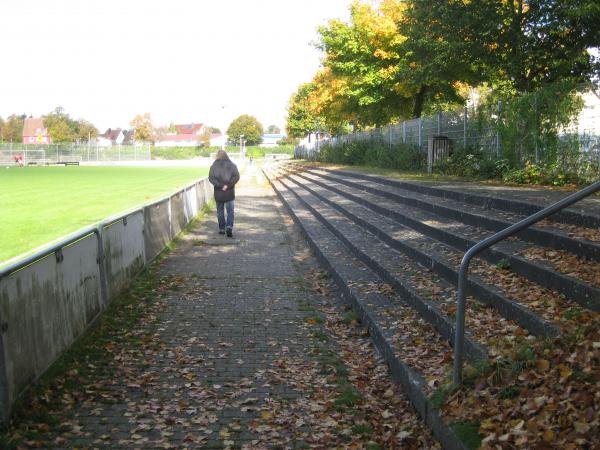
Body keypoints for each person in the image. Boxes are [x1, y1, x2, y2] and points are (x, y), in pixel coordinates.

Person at [208, 149, 240, 237]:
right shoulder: (232, 165)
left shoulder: (213, 166)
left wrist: (220, 185)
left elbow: (211, 178)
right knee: (230, 211)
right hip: (229, 192)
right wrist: (228, 185)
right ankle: (229, 226)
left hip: (219, 192)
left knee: (220, 211)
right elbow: (236, 177)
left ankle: (222, 229)